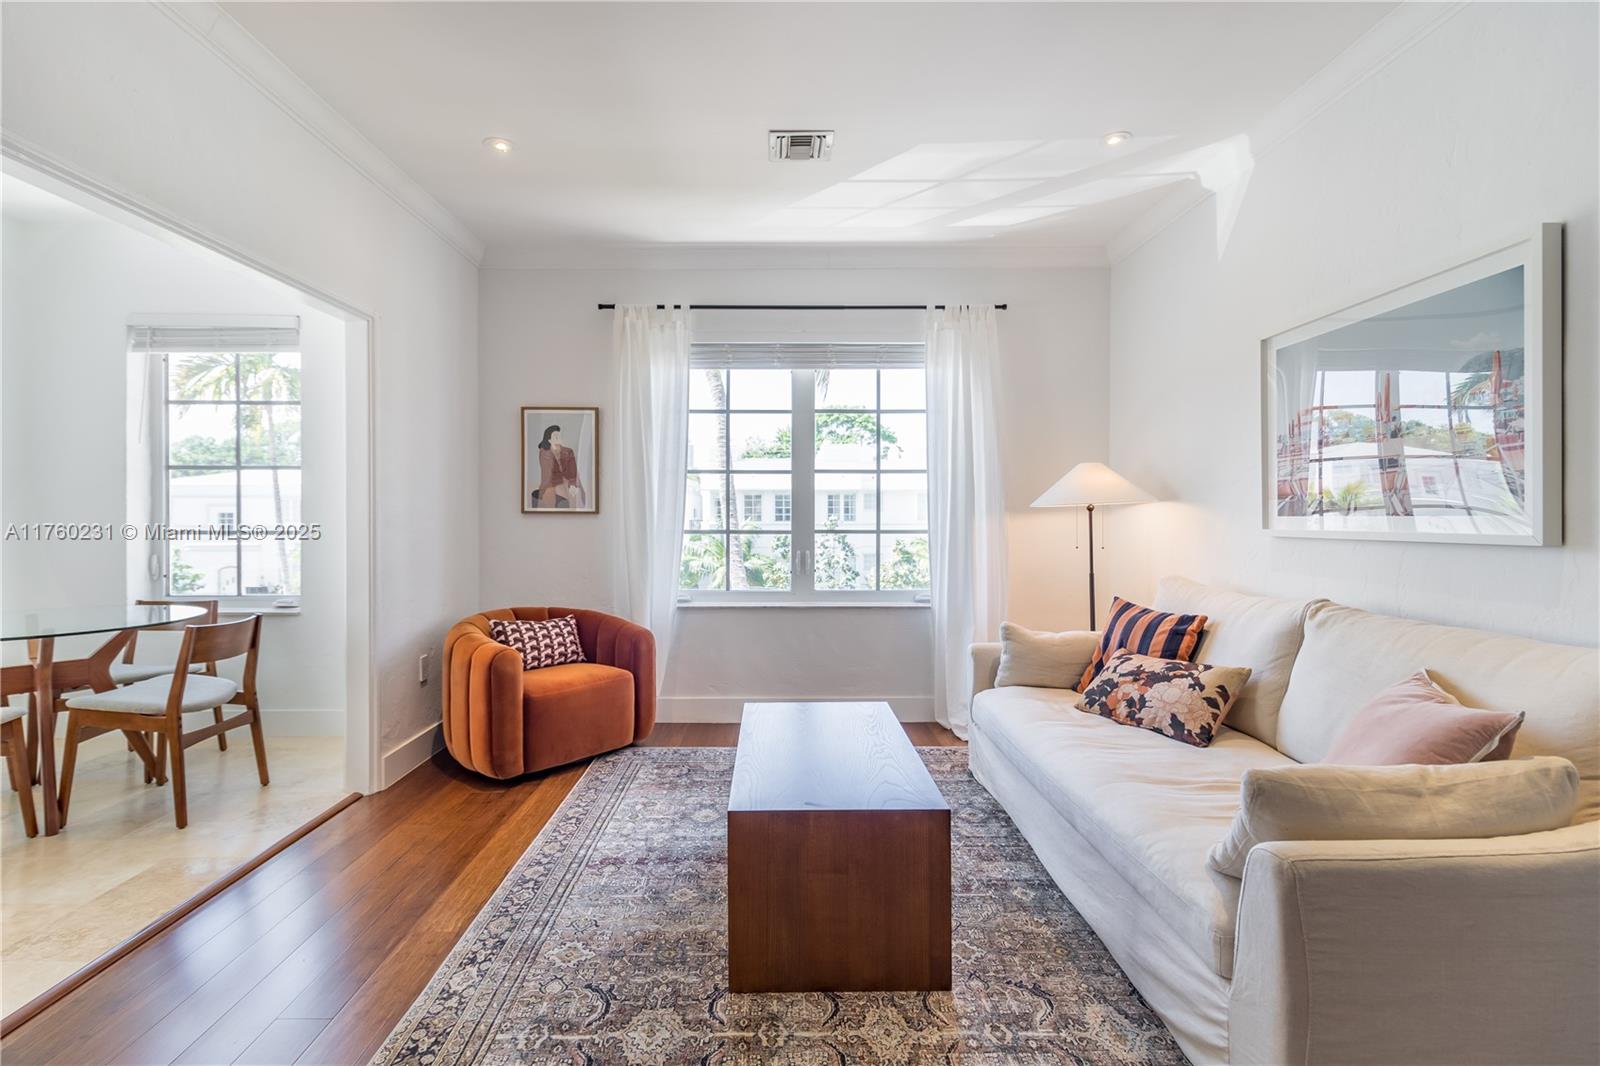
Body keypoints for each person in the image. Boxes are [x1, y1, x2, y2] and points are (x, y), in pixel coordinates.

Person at [534, 424, 585, 509]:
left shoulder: (568, 451)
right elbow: (548, 473)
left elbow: (572, 470)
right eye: (555, 436)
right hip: (552, 481)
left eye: (559, 435)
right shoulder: (544, 453)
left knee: (577, 493)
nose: (558, 437)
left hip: (569, 479)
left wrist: (572, 484)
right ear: (549, 440)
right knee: (558, 496)